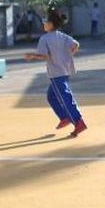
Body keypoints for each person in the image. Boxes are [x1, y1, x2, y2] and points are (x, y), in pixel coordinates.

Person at [24, 9, 87, 137]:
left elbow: (44, 56)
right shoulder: (62, 36)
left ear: (51, 24)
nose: (44, 24)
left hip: (56, 73)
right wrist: (67, 55)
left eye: (45, 22)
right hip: (65, 70)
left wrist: (32, 56)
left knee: (65, 98)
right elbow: (76, 45)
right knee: (51, 96)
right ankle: (65, 117)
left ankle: (78, 121)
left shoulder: (45, 38)